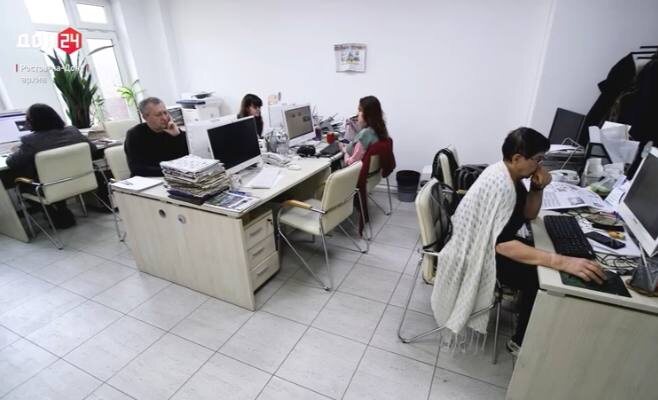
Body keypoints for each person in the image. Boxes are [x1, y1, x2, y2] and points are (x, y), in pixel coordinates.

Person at [429, 127, 606, 356]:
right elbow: (502, 244)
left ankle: (524, 319)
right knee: (539, 277)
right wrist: (561, 261)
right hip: (475, 254)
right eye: (538, 159)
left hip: (489, 245)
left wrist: (537, 188)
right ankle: (519, 342)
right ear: (517, 158)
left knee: (542, 262)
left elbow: (529, 214)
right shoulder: (503, 185)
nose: (541, 166)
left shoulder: (511, 175)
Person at [5, 103, 97, 228]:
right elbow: (93, 149)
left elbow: (12, 162)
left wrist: (16, 150)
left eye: (27, 119)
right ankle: (62, 210)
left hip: (50, 186)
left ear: (35, 121)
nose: (25, 122)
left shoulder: (30, 141)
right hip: (80, 181)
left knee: (22, 183)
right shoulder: (73, 131)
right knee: (50, 175)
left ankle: (53, 214)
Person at [124, 97, 188, 177]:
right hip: (149, 179)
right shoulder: (134, 135)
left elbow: (189, 158)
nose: (164, 118)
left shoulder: (172, 129)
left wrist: (178, 135)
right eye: (158, 115)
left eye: (165, 113)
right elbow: (137, 169)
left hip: (174, 177)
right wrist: (172, 171)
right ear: (145, 117)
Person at [340, 96, 389, 165]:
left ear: (368, 114)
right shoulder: (380, 130)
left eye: (360, 110)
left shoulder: (365, 135)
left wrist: (345, 152)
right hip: (373, 170)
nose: (357, 114)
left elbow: (351, 163)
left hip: (356, 170)